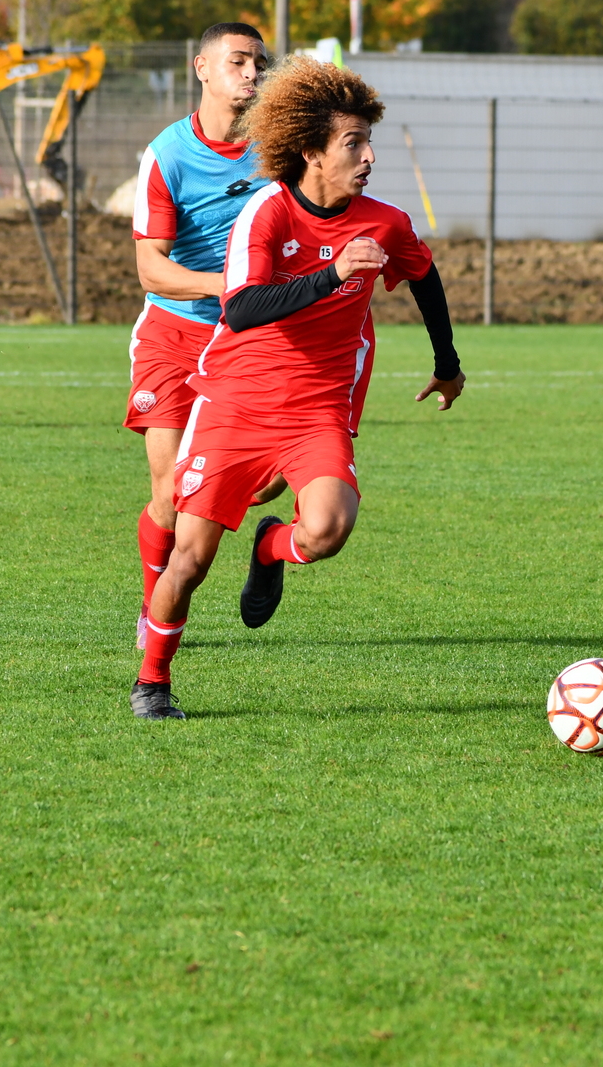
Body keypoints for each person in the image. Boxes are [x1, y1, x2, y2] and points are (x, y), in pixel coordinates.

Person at [129, 56, 466, 720]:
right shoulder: (267, 211)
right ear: (312, 151)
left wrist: (447, 361)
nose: (369, 157)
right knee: (190, 559)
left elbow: (423, 275)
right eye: (354, 143)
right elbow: (241, 308)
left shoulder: (385, 222)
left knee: (328, 528)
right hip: (235, 403)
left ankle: (269, 547)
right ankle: (153, 680)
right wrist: (334, 274)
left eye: (369, 141)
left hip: (316, 409)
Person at [127, 23, 281, 652]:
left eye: (258, 63)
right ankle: (154, 610)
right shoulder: (167, 155)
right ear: (202, 68)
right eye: (238, 61)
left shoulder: (279, 149)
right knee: (170, 495)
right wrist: (231, 284)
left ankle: (269, 547)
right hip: (174, 333)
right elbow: (151, 268)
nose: (251, 73)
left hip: (252, 342)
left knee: (266, 483)